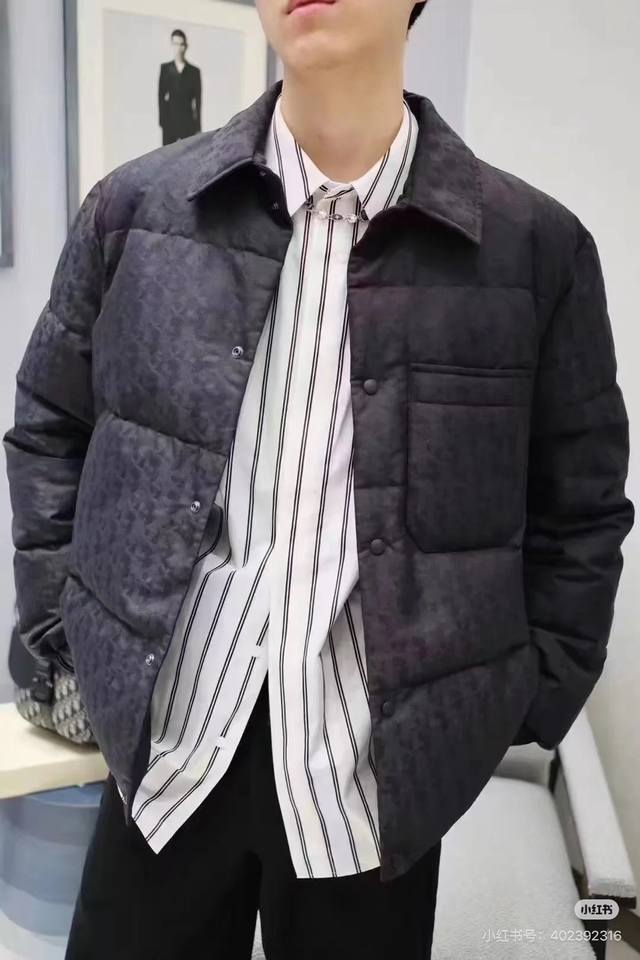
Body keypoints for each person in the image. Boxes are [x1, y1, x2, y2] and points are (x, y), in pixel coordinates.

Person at [3, 0, 634, 957]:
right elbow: (52, 427)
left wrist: (514, 702)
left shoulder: (534, 249)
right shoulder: (134, 210)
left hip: (374, 788)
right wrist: (64, 640)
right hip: (167, 755)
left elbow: (580, 507)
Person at [158, 28, 201, 145]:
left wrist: (198, 126)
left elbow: (198, 100)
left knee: (189, 153)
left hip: (188, 122)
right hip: (169, 122)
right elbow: (161, 96)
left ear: (185, 46)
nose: (178, 48)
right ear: (172, 45)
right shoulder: (165, 69)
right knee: (168, 154)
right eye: (176, 44)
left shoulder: (194, 71)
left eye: (181, 44)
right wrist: (162, 121)